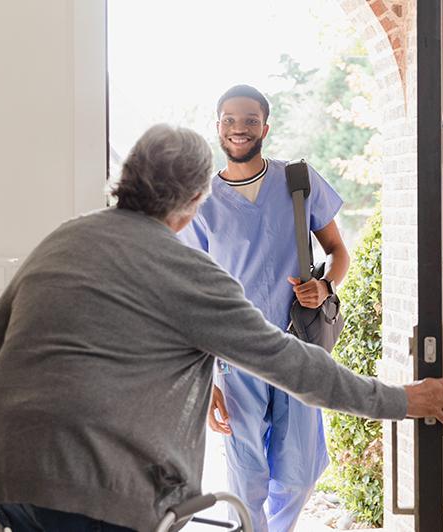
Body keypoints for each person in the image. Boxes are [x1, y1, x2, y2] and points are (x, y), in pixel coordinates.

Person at [0, 124, 443, 532]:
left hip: (6, 474)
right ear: (198, 198)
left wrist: (16, 437)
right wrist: (402, 400)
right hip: (100, 489)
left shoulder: (66, 237)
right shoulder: (183, 270)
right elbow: (292, 363)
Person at [178, 84, 350, 531]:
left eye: (250, 121)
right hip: (235, 356)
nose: (240, 129)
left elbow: (337, 251)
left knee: (298, 473)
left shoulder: (298, 181)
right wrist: (204, 377)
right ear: (217, 128)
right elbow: (189, 294)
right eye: (230, 120)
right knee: (246, 475)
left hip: (297, 349)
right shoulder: (200, 202)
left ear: (265, 128)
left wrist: (325, 285)